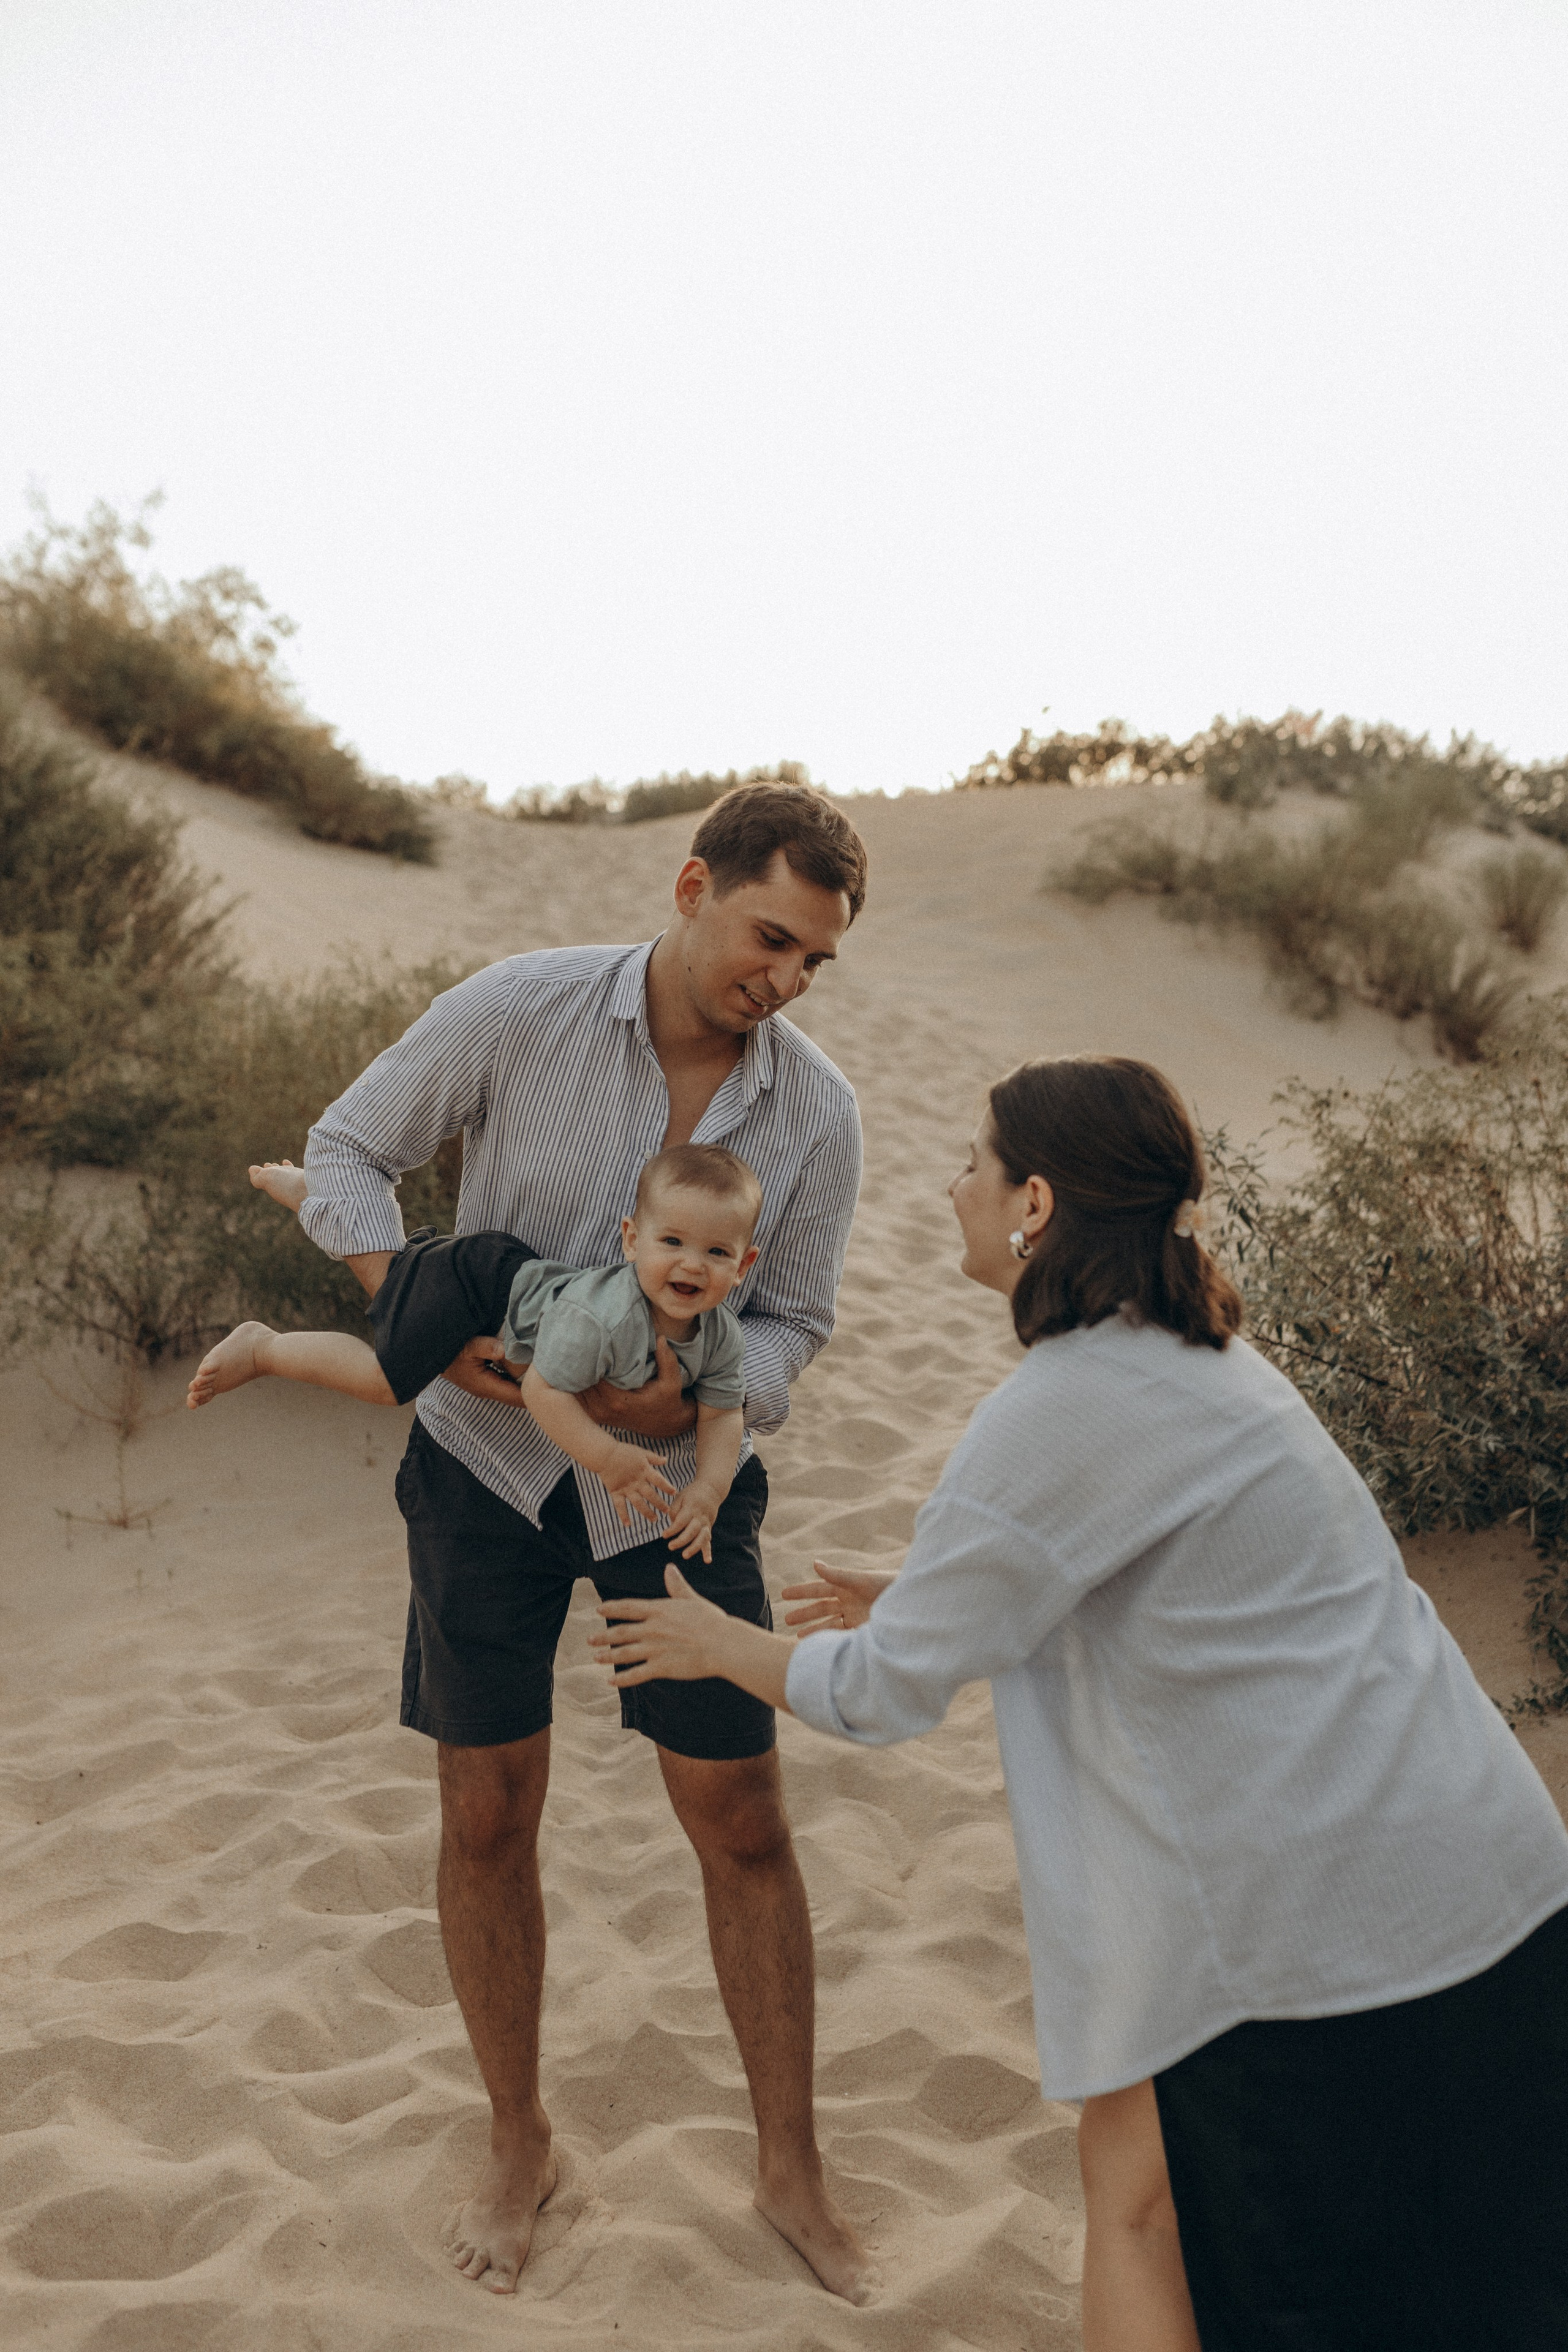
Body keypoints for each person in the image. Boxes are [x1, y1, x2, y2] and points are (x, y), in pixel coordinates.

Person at [594, 1054, 1568, 2352]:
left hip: (1336, 1932)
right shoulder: (1193, 1354)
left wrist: (719, 1639)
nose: (951, 1192)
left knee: (1264, 2258)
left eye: (969, 1166)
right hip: (1465, 1868)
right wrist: (936, 1590)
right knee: (1133, 2181)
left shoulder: (1060, 1406)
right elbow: (1152, 1569)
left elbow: (884, 1696)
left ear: (1033, 1205)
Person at [274, 783, 875, 2302]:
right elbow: (347, 1152)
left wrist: (708, 1398)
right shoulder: (519, 1008)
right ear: (691, 885)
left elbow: (795, 1313)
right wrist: (425, 1312)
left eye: (813, 961)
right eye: (769, 939)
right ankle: (516, 2136)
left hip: (671, 1495)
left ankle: (789, 2163)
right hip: (481, 1463)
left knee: (739, 1814)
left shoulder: (816, 1111)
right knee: (487, 1809)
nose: (786, 980)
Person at [186, 1142, 764, 1561]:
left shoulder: (721, 1336)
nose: (691, 1264)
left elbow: (722, 1413)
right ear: (632, 1239)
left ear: (743, 1266)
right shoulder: (603, 1318)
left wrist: (709, 1491)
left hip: (512, 1284)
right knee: (387, 1381)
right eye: (671, 1242)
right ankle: (264, 1346)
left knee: (402, 1278)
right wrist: (608, 1458)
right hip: (474, 1286)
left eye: (716, 1251)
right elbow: (542, 1390)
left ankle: (314, 1195)